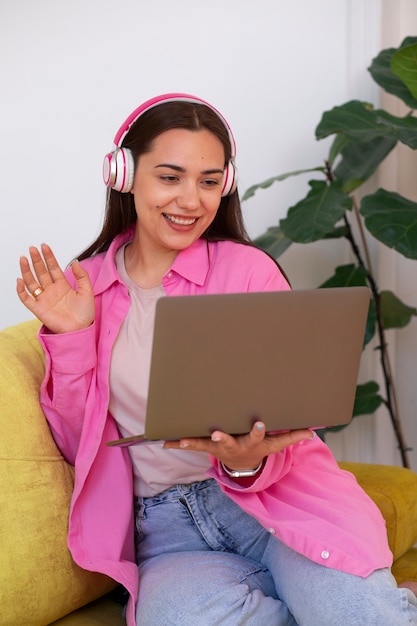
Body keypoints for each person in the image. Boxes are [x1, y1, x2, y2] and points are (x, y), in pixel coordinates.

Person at [17, 93, 417, 625]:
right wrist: (71, 334)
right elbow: (78, 444)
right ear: (124, 175)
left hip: (281, 499)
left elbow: (294, 409)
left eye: (208, 181)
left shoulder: (249, 271)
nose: (190, 200)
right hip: (168, 532)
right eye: (170, 177)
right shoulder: (85, 287)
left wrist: (246, 459)